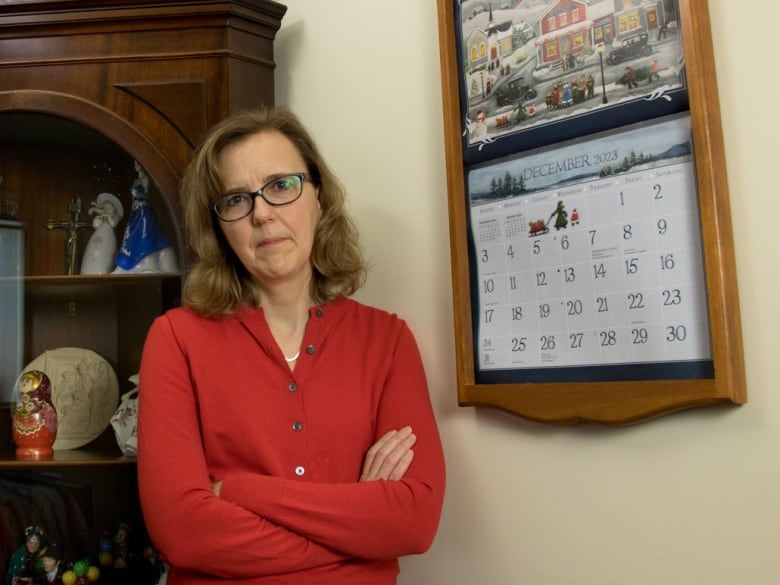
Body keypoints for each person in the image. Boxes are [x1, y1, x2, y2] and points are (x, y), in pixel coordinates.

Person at [137, 106, 446, 584]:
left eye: (282, 186)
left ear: (318, 196)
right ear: (219, 224)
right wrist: (357, 531)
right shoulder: (176, 339)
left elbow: (414, 520)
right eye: (236, 199)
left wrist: (241, 492)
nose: (262, 213)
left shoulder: (387, 340)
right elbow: (183, 533)